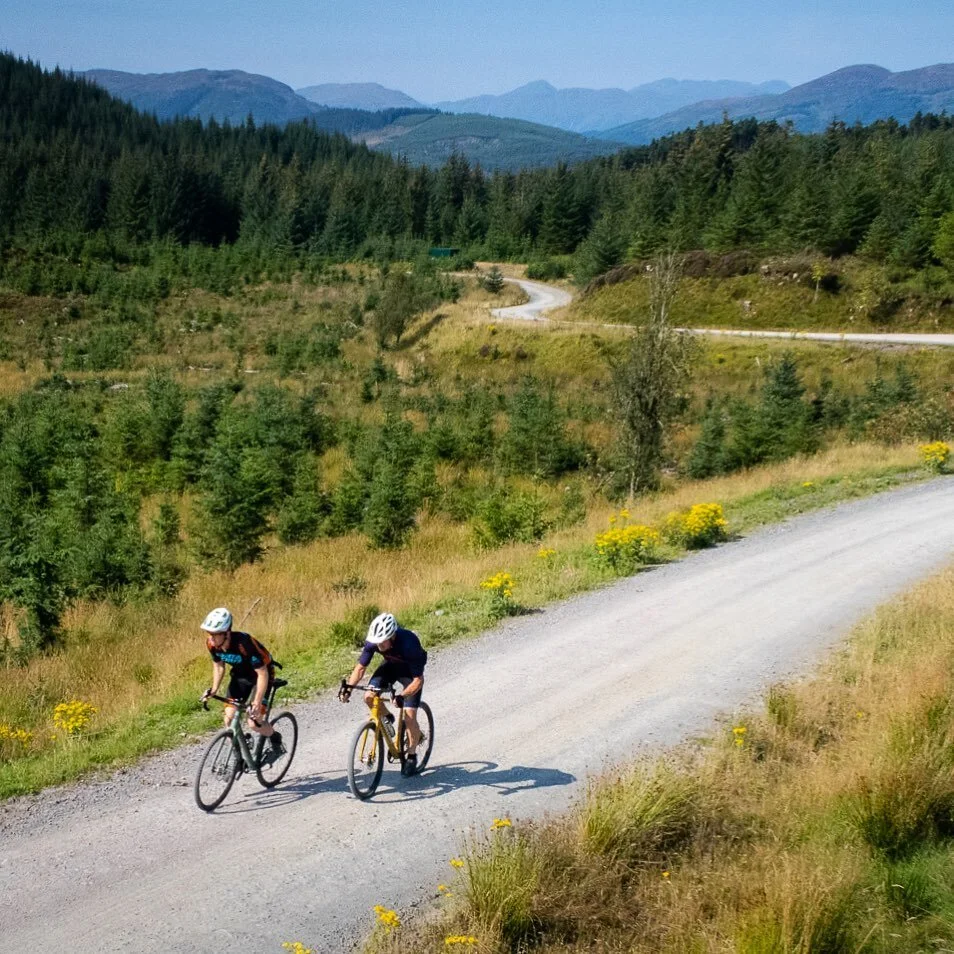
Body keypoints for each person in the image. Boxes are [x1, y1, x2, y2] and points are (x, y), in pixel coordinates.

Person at [339, 612, 427, 776]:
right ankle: (388, 717)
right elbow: (360, 668)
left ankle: (412, 755)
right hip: (391, 666)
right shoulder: (374, 641)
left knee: (409, 717)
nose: (378, 645)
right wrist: (349, 688)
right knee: (369, 697)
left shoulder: (409, 644)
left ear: (392, 636)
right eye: (376, 642)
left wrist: (402, 696)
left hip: (410, 672)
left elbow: (418, 680)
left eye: (382, 642)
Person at [199, 607, 282, 756]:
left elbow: (262, 673)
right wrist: (214, 690)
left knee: (253, 723)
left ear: (226, 633)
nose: (210, 638)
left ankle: (275, 738)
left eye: (214, 635)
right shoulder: (212, 644)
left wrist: (256, 702)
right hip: (240, 675)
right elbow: (218, 665)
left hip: (261, 675)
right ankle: (239, 757)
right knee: (229, 719)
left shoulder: (244, 644)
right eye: (209, 634)